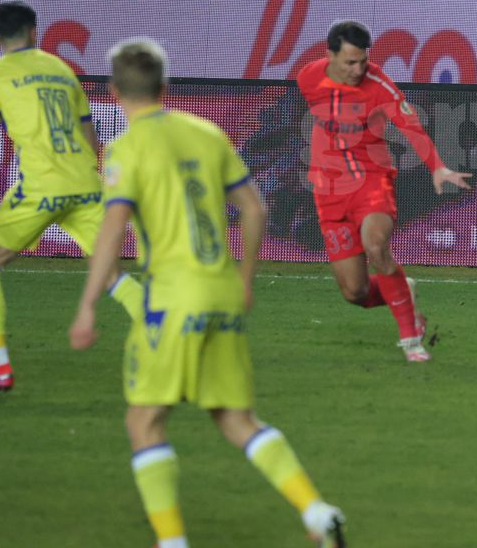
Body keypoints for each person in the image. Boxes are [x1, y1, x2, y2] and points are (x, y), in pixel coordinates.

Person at [69, 38, 346, 548]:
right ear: (165, 86)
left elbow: (112, 231)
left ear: (112, 93)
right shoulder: (207, 132)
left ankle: (172, 541)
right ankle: (316, 511)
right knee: (235, 417)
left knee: (145, 420)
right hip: (221, 288)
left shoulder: (124, 150)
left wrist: (88, 305)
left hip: (173, 295)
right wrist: (244, 279)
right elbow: (256, 209)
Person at [0, 2, 143, 393]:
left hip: (42, 186)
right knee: (111, 276)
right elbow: (91, 136)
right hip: (87, 183)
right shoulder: (62, 70)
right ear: (35, 32)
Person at [295, 21, 471, 362]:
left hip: (370, 182)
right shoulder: (308, 78)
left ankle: (411, 340)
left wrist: (437, 166)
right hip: (329, 192)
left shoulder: (378, 85)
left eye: (363, 61)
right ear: (329, 55)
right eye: (349, 62)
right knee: (355, 292)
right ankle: (402, 291)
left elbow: (410, 125)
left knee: (376, 246)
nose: (358, 69)